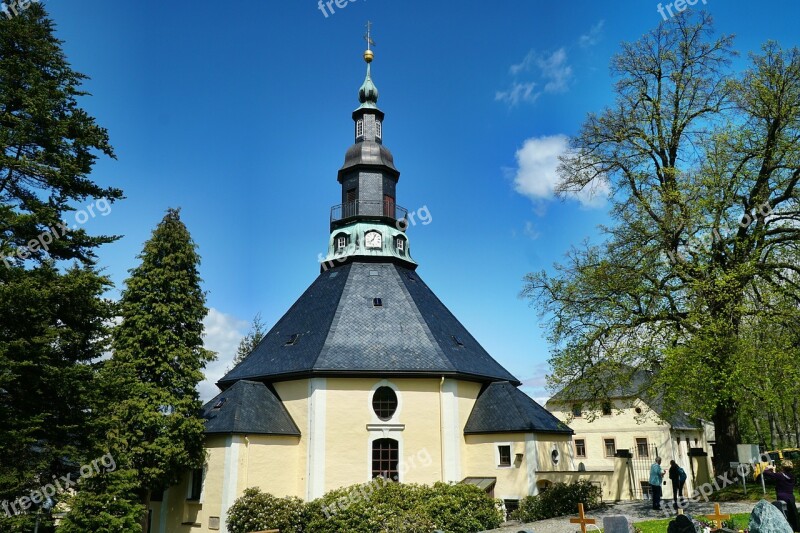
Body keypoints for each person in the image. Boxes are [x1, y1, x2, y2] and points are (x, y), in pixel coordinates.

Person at [763, 461, 798, 532]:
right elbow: (781, 479)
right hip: (791, 497)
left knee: (782, 513)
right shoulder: (793, 477)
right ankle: (794, 527)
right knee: (792, 513)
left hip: (782, 496)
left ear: (782, 467)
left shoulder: (779, 475)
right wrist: (774, 471)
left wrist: (768, 468)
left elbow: (765, 473)